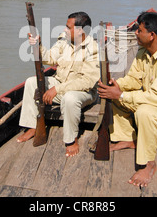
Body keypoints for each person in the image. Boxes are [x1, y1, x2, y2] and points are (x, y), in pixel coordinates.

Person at [97, 11, 157, 187]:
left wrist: (120, 94)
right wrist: (117, 85)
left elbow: (156, 98)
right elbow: (135, 78)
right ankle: (128, 138)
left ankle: (148, 164)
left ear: (151, 35)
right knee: (116, 96)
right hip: (155, 101)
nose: (135, 33)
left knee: (144, 111)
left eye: (139, 30)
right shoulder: (144, 50)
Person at [18, 12, 100, 157]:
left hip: (82, 92)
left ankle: (71, 139)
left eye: (68, 28)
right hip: (61, 83)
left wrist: (57, 89)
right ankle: (32, 126)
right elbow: (48, 58)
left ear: (80, 30)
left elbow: (87, 82)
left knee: (70, 98)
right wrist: (38, 45)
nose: (64, 30)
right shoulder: (64, 41)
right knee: (31, 82)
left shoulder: (93, 49)